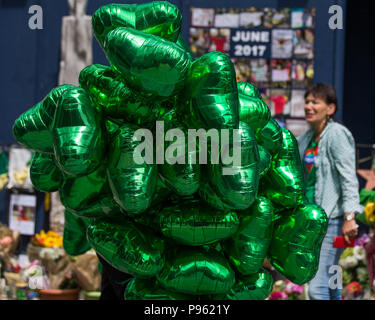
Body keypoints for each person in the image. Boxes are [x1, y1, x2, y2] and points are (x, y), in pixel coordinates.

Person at [297, 83, 363, 300]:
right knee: (332, 283)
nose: (308, 106)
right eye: (307, 101)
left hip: (331, 220)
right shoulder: (306, 138)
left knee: (317, 289)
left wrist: (350, 217)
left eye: (315, 102)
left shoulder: (337, 134)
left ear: (330, 108)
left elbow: (348, 178)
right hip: (313, 221)